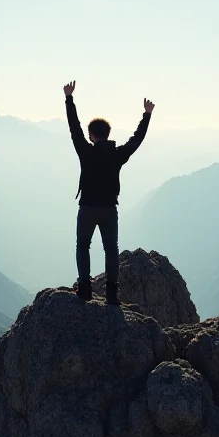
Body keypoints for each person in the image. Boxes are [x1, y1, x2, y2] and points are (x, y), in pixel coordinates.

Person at [63, 80, 154, 305]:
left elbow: (74, 128)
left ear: (91, 135)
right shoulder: (118, 155)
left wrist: (69, 99)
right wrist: (147, 115)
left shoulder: (85, 151)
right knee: (110, 250)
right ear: (108, 133)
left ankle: (84, 288)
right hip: (109, 209)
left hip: (87, 207)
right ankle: (112, 294)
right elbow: (136, 140)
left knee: (83, 246)